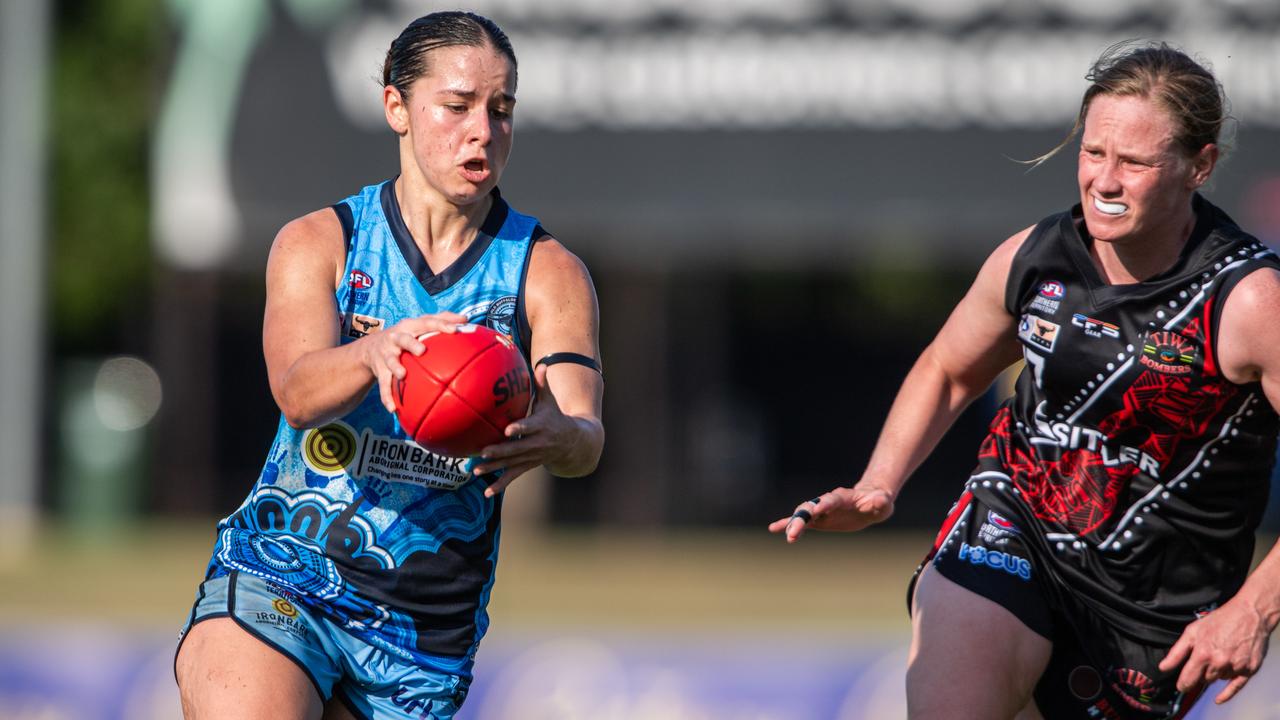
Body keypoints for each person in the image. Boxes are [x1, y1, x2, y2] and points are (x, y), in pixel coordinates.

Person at [771, 42, 1280, 720]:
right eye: (1093, 153)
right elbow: (949, 369)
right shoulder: (1034, 258)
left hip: (1152, 611)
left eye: (1133, 162)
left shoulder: (1249, 302)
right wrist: (877, 486)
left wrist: (1255, 608)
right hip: (1014, 520)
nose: (1104, 180)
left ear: (1200, 166)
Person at [174, 11, 604, 719]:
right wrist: (373, 351)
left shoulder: (547, 271)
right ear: (396, 108)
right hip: (284, 579)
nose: (483, 131)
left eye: (501, 111)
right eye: (458, 106)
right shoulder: (321, 242)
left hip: (421, 631)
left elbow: (585, 432)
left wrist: (561, 436)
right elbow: (297, 392)